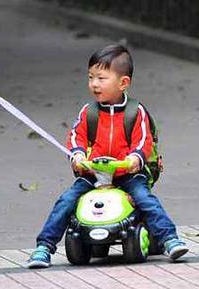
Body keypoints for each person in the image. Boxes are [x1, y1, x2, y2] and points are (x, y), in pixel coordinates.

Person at [26, 44, 189, 268]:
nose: (94, 84)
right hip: (95, 174)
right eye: (91, 77)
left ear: (123, 83)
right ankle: (44, 247)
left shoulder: (135, 112)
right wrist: (77, 154)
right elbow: (76, 136)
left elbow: (143, 140)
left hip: (126, 174)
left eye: (101, 78)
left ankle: (168, 238)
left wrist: (134, 158)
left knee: (145, 199)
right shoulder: (89, 112)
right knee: (67, 201)